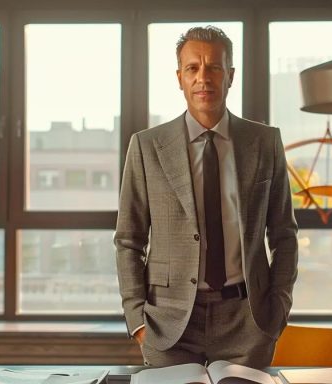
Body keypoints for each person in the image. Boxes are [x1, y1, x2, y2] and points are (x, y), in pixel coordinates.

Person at [115, 25, 298, 369]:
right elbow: (129, 239)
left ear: (230, 75)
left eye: (214, 67)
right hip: (168, 323)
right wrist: (137, 318)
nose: (203, 77)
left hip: (249, 320)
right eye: (193, 68)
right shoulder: (146, 146)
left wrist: (278, 309)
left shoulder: (265, 142)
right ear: (179, 77)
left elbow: (284, 235)